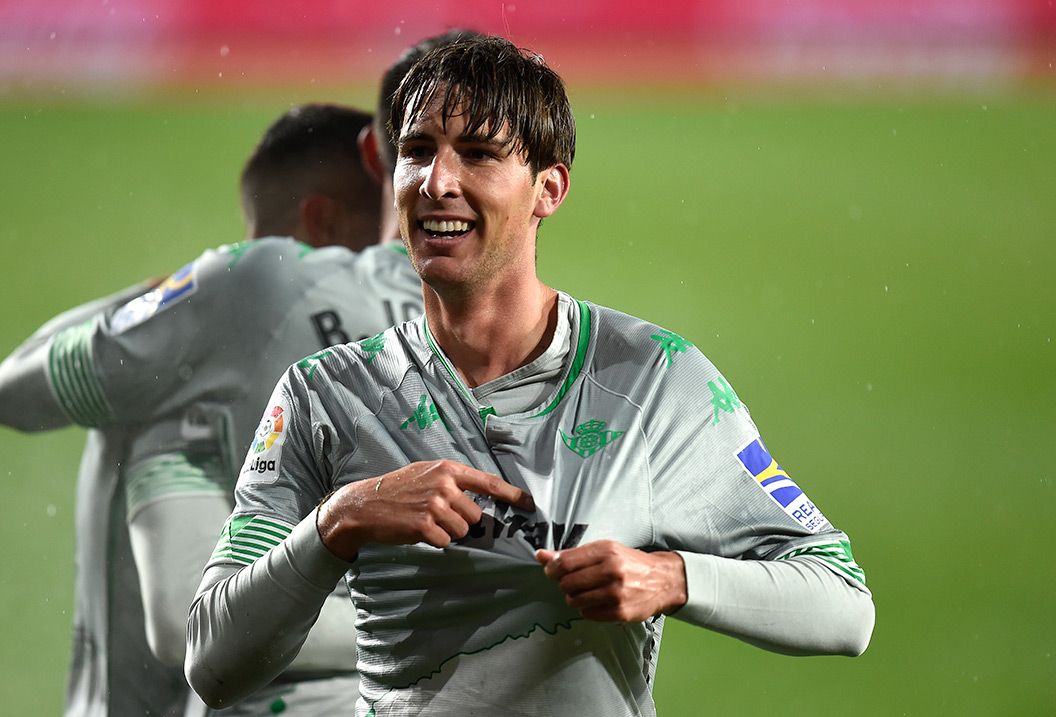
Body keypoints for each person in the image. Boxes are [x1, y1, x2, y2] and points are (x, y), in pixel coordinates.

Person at [186, 35, 875, 717]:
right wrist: (339, 521)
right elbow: (214, 663)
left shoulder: (653, 380)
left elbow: (842, 603)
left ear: (549, 188)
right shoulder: (324, 395)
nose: (437, 182)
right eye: (418, 150)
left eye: (479, 154)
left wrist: (673, 576)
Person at [0, 102, 420, 717]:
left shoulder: (175, 365)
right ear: (321, 223)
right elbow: (188, 622)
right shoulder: (251, 348)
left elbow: (15, 389)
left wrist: (164, 298)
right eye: (372, 240)